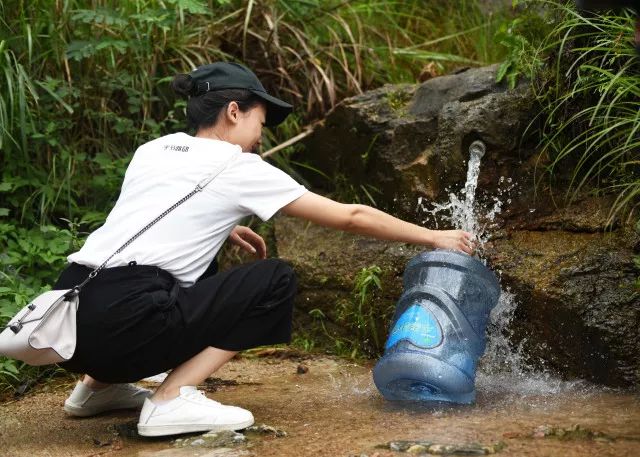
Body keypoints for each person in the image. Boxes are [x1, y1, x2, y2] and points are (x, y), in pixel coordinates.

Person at [55, 62, 475, 437]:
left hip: (70, 323)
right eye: (260, 121)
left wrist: (222, 225)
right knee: (276, 279)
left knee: (190, 265)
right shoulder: (238, 166)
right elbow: (350, 216)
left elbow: (143, 222)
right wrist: (434, 237)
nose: (259, 137)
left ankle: (94, 389)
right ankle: (170, 399)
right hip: (126, 324)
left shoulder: (152, 150)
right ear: (234, 111)